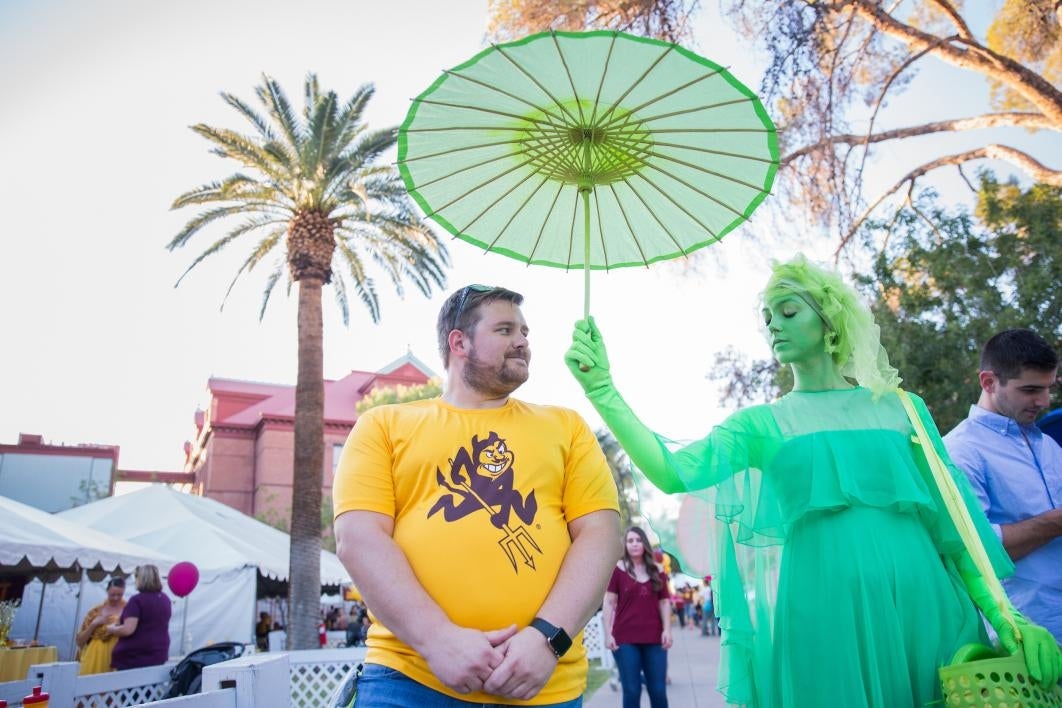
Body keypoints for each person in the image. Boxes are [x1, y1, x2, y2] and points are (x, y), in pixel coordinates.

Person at [565, 255, 1062, 707]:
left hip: (923, 606)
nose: (772, 326)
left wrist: (1007, 619)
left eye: (787, 312)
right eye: (767, 318)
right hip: (822, 612)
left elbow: (955, 532)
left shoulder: (902, 408)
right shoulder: (759, 424)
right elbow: (673, 472)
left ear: (830, 323)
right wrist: (604, 391)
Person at [333, 284, 622, 706]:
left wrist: (547, 640)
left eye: (525, 331)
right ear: (459, 342)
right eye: (505, 329)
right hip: (409, 679)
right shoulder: (384, 425)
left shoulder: (567, 427)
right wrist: (436, 640)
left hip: (545, 685)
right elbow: (358, 539)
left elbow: (602, 536)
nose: (523, 341)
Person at [944, 329, 1062, 642]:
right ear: (988, 382)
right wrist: (1056, 522)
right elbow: (976, 553)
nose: (1044, 401)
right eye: (1031, 390)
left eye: (1049, 388)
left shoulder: (1049, 446)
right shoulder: (960, 451)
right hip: (1026, 641)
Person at [602, 526, 672, 708]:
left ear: (644, 544)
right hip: (625, 639)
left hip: (655, 637)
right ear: (625, 545)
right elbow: (609, 602)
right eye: (630, 540)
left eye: (638, 540)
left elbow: (664, 602)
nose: (634, 544)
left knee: (658, 690)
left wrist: (667, 630)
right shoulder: (618, 570)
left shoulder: (658, 571)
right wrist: (608, 634)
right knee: (632, 690)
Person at [107, 564, 172, 670]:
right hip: (159, 653)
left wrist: (112, 628)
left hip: (135, 657)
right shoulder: (165, 599)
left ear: (140, 579)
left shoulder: (137, 600)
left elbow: (128, 630)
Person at [76, 577, 126, 675]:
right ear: (107, 591)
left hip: (118, 655)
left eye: (119, 595)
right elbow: (80, 641)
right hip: (95, 656)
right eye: (112, 595)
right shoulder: (95, 611)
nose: (116, 598)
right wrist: (93, 625)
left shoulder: (128, 609)